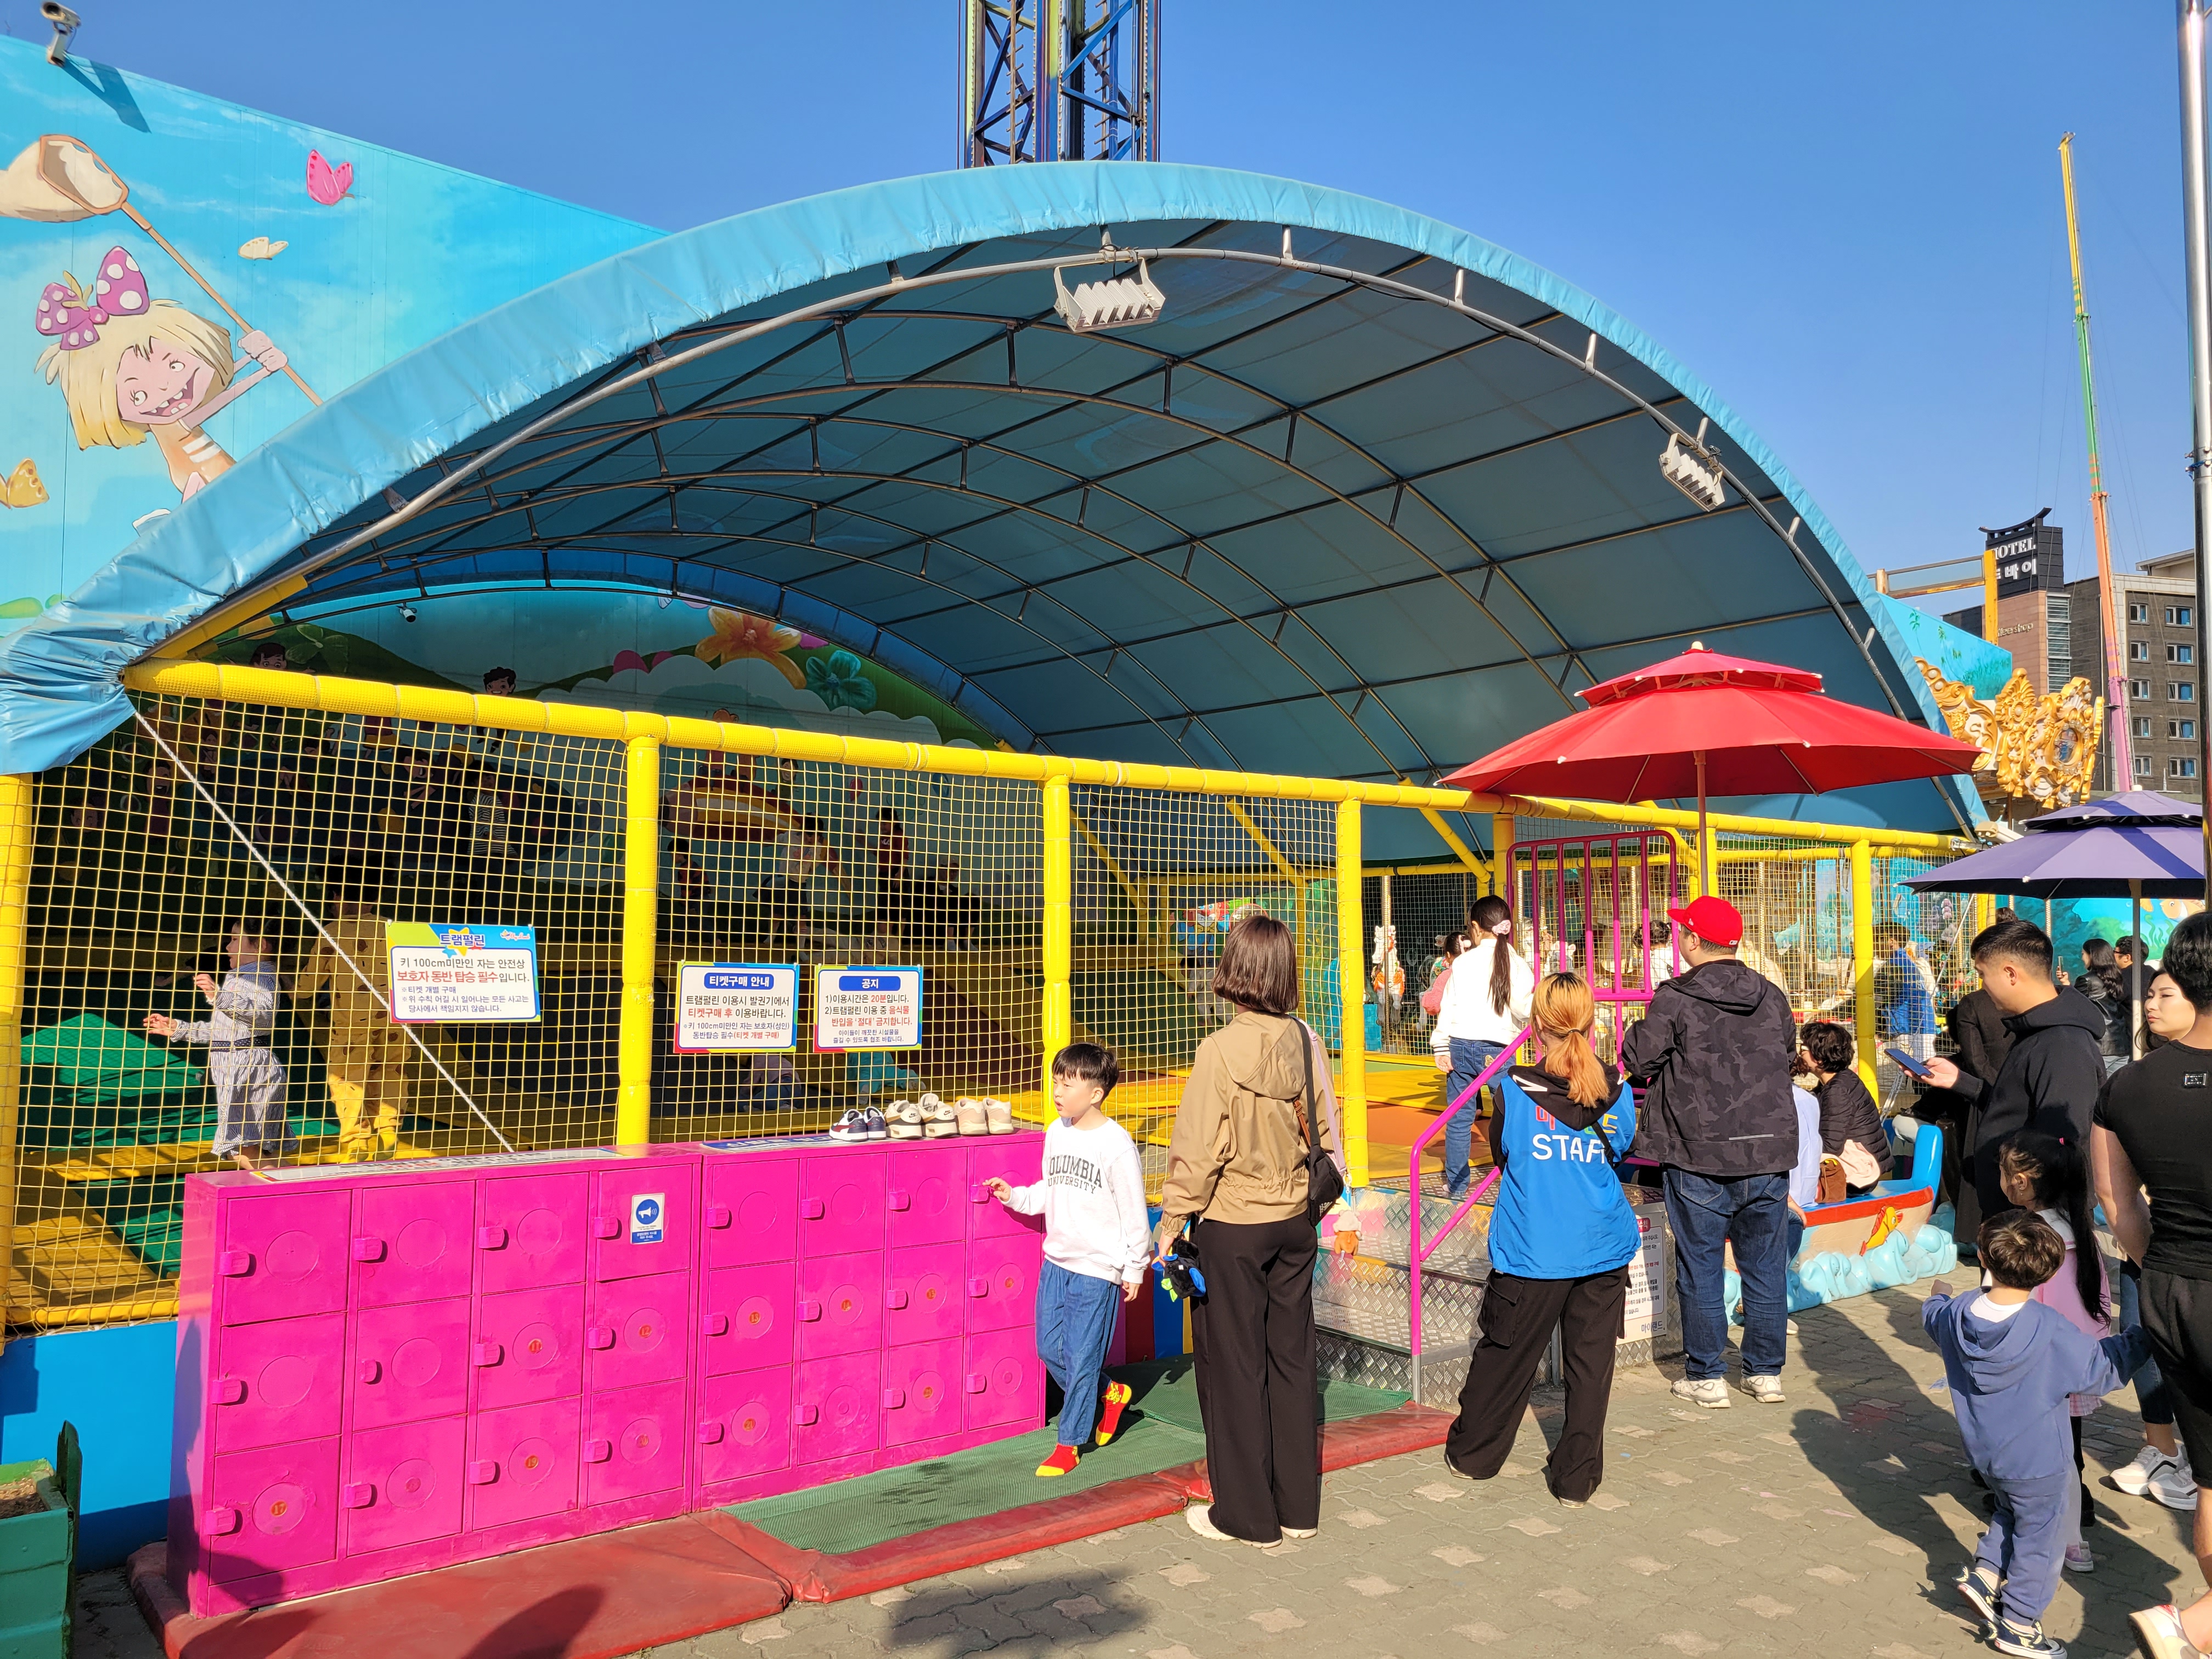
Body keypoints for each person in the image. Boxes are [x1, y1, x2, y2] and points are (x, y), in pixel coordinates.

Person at [1154, 912, 1343, 1547]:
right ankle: (1298, 1510)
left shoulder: (1218, 1050)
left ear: (1233, 970)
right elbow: (1327, 1128)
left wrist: (1172, 1219)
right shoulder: (1305, 1041)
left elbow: (1198, 1150)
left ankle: (1247, 1516)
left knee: (1234, 1368)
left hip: (1234, 1223)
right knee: (1292, 1361)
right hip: (1295, 1219)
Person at [1442, 973, 1638, 1505]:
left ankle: (1474, 1456)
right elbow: (1619, 1150)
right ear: (1591, 1022)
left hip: (1534, 1250)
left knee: (1505, 1357)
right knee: (1590, 1369)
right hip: (1603, 1246)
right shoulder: (1618, 1093)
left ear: (1536, 1025)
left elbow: (1503, 1155)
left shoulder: (1512, 1091)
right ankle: (1577, 1480)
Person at [1925, 1214, 2145, 1659]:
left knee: (2011, 1509)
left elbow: (1933, 1314)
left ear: (1983, 1257)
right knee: (2042, 1541)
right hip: (2040, 1461)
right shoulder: (2047, 1326)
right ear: (2048, 1273)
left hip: (1986, 1453)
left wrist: (1937, 1294)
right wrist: (2141, 1338)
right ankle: (2020, 1623)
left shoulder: (1957, 1313)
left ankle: (1987, 1573)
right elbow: (2099, 1371)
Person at [1620, 893, 1798, 1409]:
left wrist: (1637, 1030)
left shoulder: (1676, 997)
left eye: (1684, 932)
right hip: (1767, 1150)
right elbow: (1787, 1054)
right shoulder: (1771, 995)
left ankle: (1707, 1374)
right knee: (1765, 1268)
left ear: (1694, 940)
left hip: (1698, 1152)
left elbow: (1639, 1059)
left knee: (1701, 1267)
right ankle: (1765, 1373)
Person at [2092, 913, 2212, 1658]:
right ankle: (2189, 1629)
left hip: (2170, 1287)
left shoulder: (2127, 1086)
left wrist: (2161, 1263)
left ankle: (2193, 1634)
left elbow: (2117, 1204)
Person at [986, 1043, 1149, 1477]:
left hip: (1098, 1268)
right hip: (1057, 1261)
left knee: (1081, 1357)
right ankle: (1110, 1394)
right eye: (1056, 1082)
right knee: (1048, 1347)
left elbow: (1134, 1210)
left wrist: (1135, 1266)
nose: (1057, 1092)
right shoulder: (1057, 1131)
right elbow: (1051, 1186)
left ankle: (1069, 1443)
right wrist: (1016, 1196)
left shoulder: (1115, 1144)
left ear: (1096, 1093)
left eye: (1068, 1085)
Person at [1922, 919, 2107, 1228]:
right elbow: (2015, 1108)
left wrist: (2032, 1227)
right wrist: (1959, 1081)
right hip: (2018, 1214)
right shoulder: (2034, 1032)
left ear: (2010, 974)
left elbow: (2062, 1143)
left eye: (1983, 974)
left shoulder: (2062, 1043)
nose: (1983, 986)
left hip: (2038, 1226)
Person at [2107, 966, 2200, 1514]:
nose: (2151, 1003)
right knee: (2141, 1336)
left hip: (2182, 1250)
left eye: (2167, 994)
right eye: (2150, 994)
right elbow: (2117, 1186)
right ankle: (2161, 1449)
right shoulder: (2136, 1080)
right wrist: (2144, 1249)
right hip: (2146, 1239)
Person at [1997, 1132, 2113, 1570]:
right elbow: (2101, 1305)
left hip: (2035, 1368)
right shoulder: (2078, 1230)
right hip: (2074, 1363)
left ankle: (2056, 1538)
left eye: (2004, 1173)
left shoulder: (2027, 1237)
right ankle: (2075, 1522)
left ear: (2022, 1182)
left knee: (2039, 1458)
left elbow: (2009, 1303)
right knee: (2070, 1450)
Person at [144, 918, 287, 1173]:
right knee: (254, 1151)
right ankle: (301, 1188)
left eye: (235, 939)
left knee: (243, 1150)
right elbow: (224, 1032)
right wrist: (178, 1028)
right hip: (240, 1066)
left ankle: (297, 1189)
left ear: (260, 945)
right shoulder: (239, 977)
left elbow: (264, 1016)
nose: (227, 947)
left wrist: (219, 996)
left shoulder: (261, 976)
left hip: (249, 1068)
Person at [1429, 896, 1534, 1197]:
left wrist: (1441, 1046)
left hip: (1461, 1045)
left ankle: (1457, 1185)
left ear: (1475, 928)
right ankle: (1518, 1180)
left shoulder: (1462, 962)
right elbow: (1523, 1008)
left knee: (1459, 1120)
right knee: (1510, 1114)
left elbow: (1448, 1005)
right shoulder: (1516, 963)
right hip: (1498, 1048)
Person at [295, 875, 405, 1159]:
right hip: (395, 1019)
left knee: (347, 1080)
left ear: (336, 898)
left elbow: (308, 986)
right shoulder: (394, 929)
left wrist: (289, 986)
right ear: (375, 899)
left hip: (352, 1023)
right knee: (390, 1073)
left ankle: (357, 1141)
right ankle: (388, 1131)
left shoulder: (333, 932)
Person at [1799, 1020, 1890, 1189]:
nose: (1799, 1054)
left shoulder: (1838, 1091)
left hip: (1858, 1175)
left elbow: (1830, 1148)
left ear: (1820, 1058)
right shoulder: (1840, 1080)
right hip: (1863, 1165)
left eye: (1803, 1049)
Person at [2076, 939, 2130, 1073]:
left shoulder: (2086, 980)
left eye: (2083, 954)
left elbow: (2074, 1007)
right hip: (2122, 1044)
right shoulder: (2118, 978)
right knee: (2117, 1085)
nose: (2082, 958)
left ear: (2092, 955)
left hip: (2100, 1045)